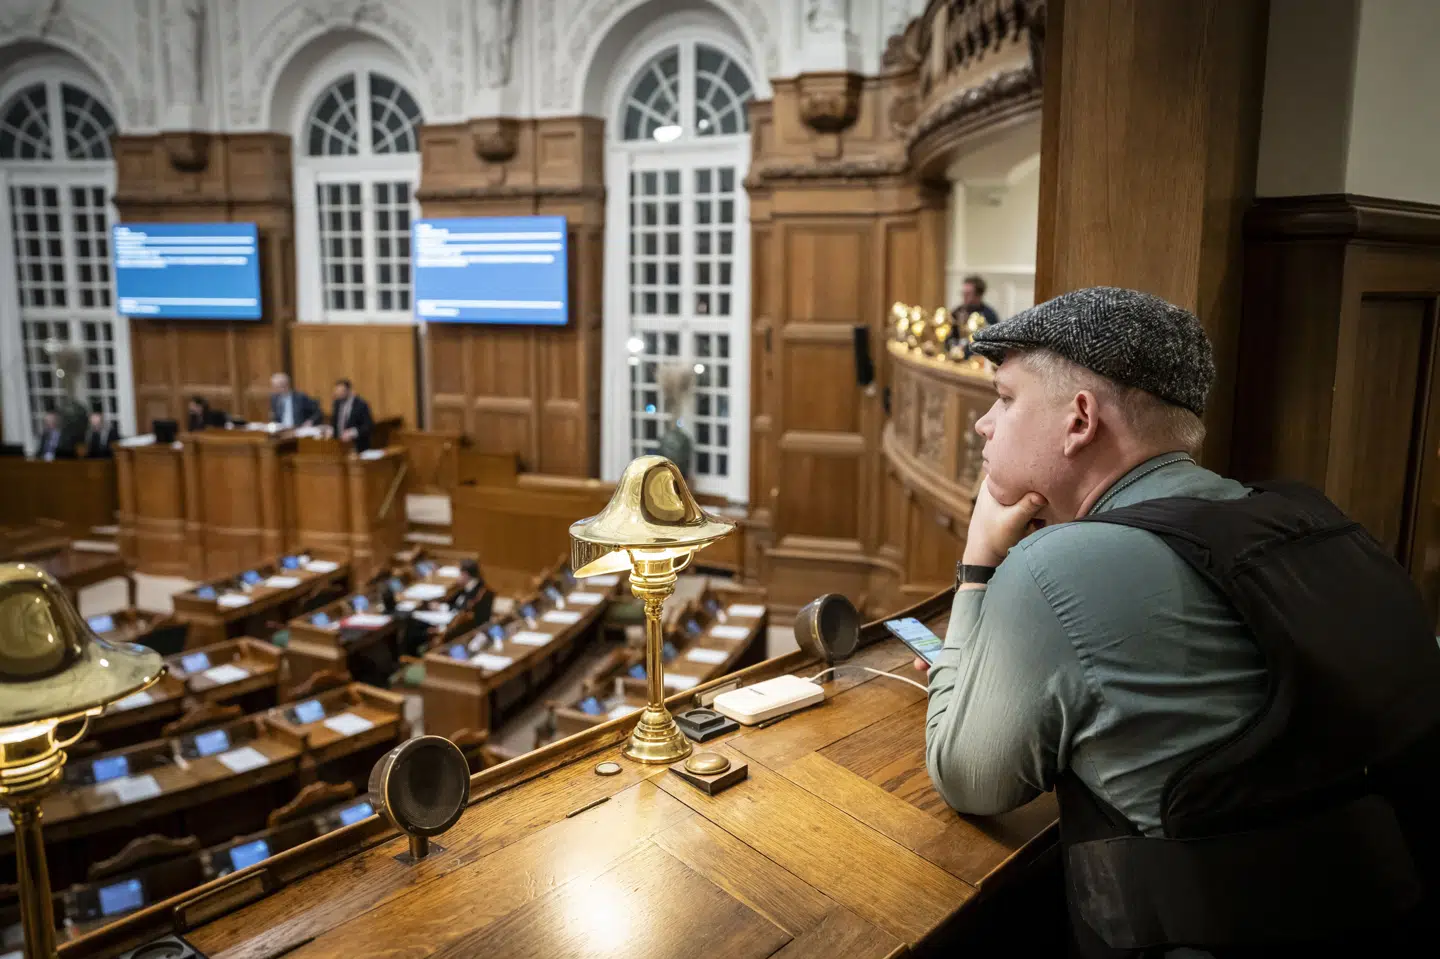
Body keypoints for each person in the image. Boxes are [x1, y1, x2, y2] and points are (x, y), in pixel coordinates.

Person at [921, 287, 1440, 956]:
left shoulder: (1055, 565)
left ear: (1080, 419)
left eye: (1005, 397)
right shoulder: (1306, 517)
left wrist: (979, 564)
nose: (983, 424)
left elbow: (967, 777)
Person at [946, 274, 1001, 351]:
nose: (964, 297)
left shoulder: (989, 315)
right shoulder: (956, 312)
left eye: (968, 294)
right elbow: (949, 338)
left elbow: (993, 343)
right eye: (963, 293)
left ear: (978, 295)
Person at [330, 378, 375, 452]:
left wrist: (353, 432)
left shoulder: (361, 405)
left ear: (348, 391)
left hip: (357, 445)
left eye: (341, 392)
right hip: (340, 445)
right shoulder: (337, 404)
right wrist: (331, 430)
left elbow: (368, 425)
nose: (338, 395)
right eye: (337, 392)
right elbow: (335, 422)